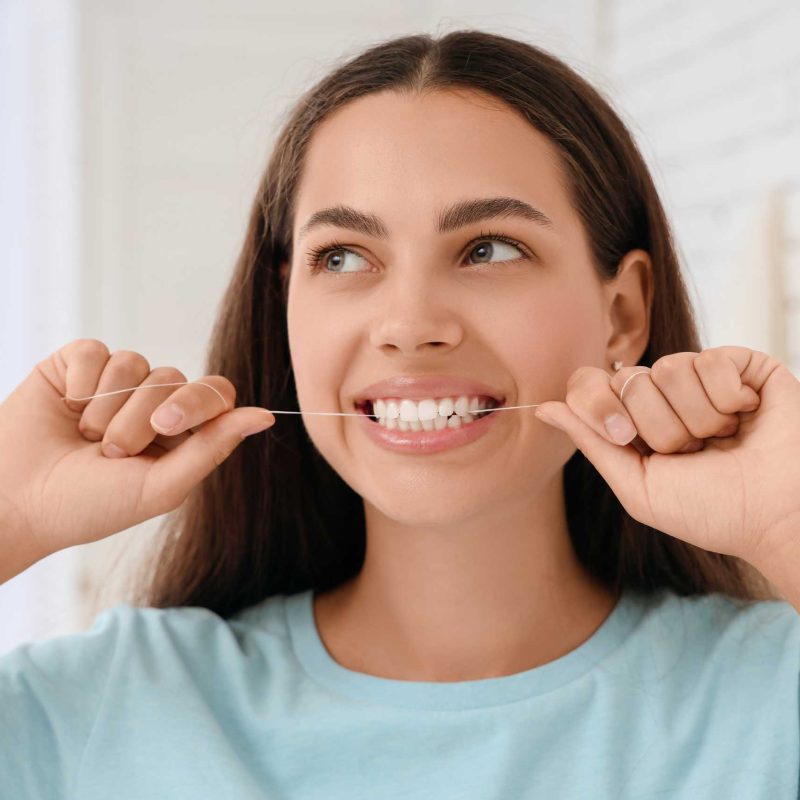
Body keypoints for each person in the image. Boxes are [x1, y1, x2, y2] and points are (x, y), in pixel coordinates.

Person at [1, 29, 799, 799]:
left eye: (489, 247)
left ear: (623, 312)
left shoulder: (769, 699)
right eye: (344, 257)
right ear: (286, 308)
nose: (411, 323)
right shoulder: (100, 711)